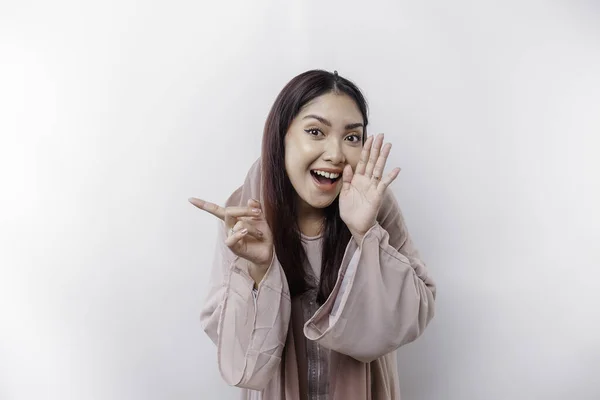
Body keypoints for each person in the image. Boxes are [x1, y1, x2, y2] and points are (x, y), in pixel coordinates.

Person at [189, 69, 436, 399]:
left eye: (352, 137)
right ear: (283, 136)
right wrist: (260, 271)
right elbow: (242, 359)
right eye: (316, 132)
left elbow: (408, 318)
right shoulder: (246, 210)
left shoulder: (374, 204)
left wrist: (366, 233)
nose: (335, 154)